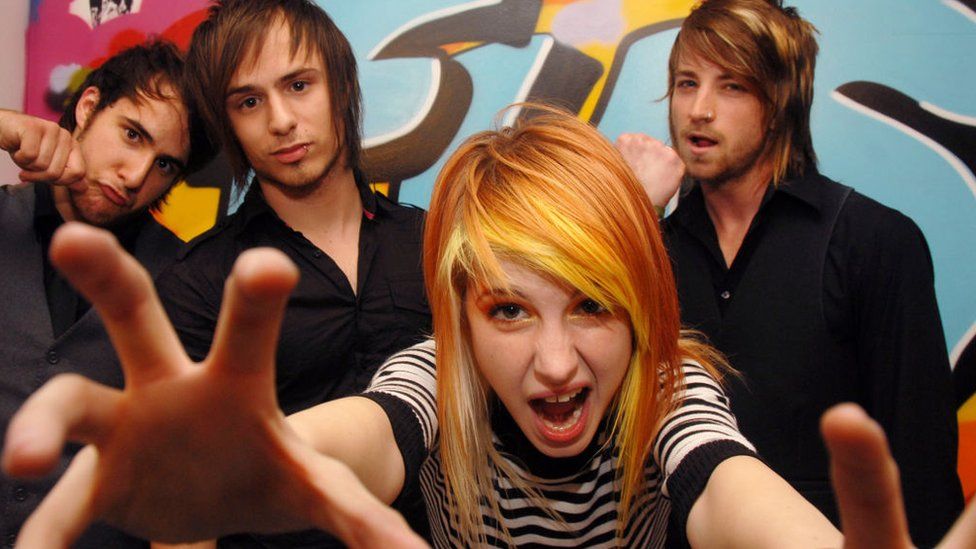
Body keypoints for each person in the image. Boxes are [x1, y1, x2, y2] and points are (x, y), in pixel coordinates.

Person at [6, 106, 975, 549]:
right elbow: (368, 432)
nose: (555, 364)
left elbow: (728, 494)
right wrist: (250, 460)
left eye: (591, 303)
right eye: (509, 310)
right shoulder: (442, 374)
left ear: (639, 307)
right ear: (462, 317)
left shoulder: (669, 383)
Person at [616, 0, 964, 544]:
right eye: (687, 83)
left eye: (731, 86)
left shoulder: (874, 241)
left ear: (779, 103)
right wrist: (632, 213)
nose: (698, 110)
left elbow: (919, 459)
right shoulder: (650, 243)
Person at [159, 1, 430, 545]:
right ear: (228, 123)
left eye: (299, 85)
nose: (280, 121)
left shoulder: (433, 242)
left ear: (343, 88)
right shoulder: (199, 284)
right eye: (250, 101)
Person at [0, 40, 215, 547]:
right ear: (89, 106)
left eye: (165, 165)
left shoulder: (185, 276)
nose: (137, 175)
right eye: (133, 135)